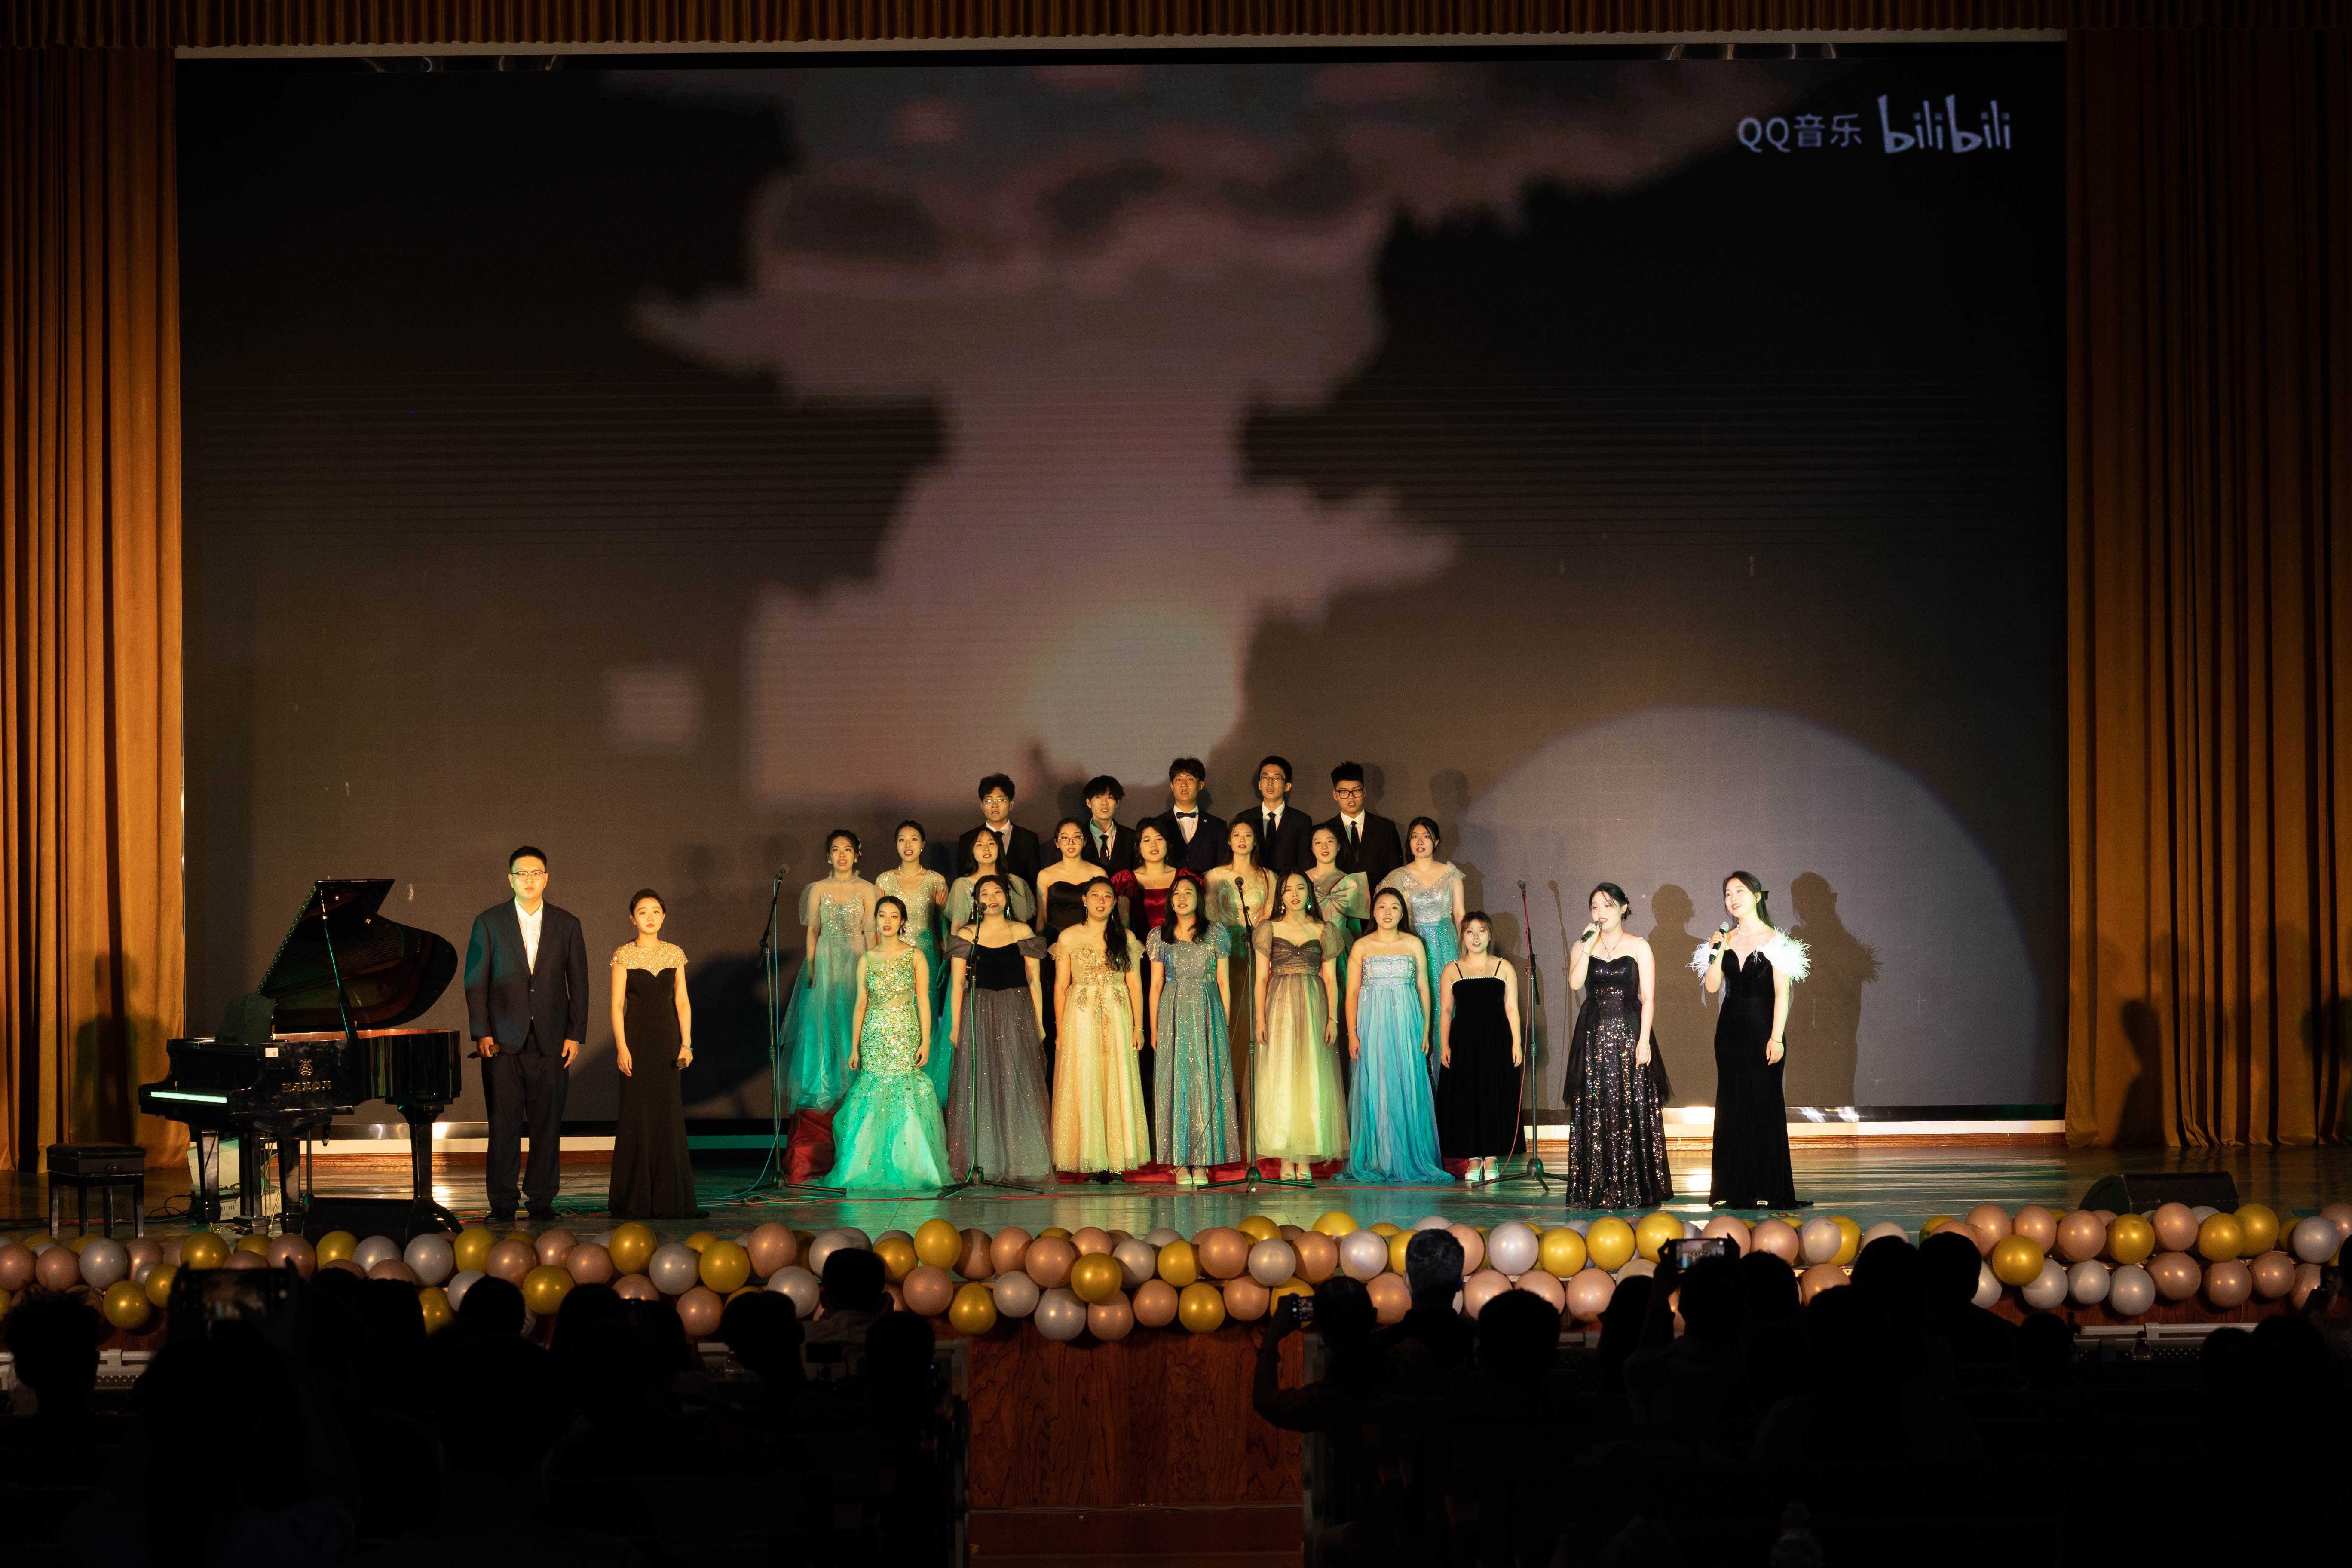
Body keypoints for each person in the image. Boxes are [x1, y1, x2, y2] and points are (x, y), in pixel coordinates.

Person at [465, 845, 590, 1225]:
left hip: (552, 1041)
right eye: (522, 874)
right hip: (502, 1042)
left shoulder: (567, 924)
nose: (529, 880)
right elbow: (475, 982)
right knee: (503, 1125)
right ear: (511, 879)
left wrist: (575, 1034)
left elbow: (579, 984)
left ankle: (542, 1200)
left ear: (547, 878)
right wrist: (481, 1031)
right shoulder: (489, 922)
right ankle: (502, 1202)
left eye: (536, 873)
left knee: (547, 1125)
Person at [1694, 870, 1807, 1209]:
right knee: (1733, 1106)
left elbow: (1783, 993)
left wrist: (1777, 1038)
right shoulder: (1724, 939)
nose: (1733, 898)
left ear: (1757, 896)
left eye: (1740, 891)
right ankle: (1736, 1189)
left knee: (1763, 1105)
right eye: (1728, 893)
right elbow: (1712, 986)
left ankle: (1770, 1188)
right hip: (1729, 1033)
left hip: (1763, 1032)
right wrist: (1716, 950)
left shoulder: (1775, 940)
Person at [823, 896, 950, 1189]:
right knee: (874, 1093)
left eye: (894, 916)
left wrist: (926, 1041)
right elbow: (860, 1004)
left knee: (905, 1091)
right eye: (882, 915)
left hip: (905, 1031)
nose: (888, 921)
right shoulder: (866, 959)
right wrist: (854, 1047)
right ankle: (864, 1165)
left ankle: (914, 1165)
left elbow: (924, 1001)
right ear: (876, 920)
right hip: (874, 1033)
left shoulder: (915, 956)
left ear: (902, 921)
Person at [1563, 883, 1671, 1209]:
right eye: (1595, 907)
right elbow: (1575, 983)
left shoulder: (1639, 946)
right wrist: (1587, 945)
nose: (1600, 913)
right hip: (1593, 1035)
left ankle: (1633, 1186)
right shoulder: (1583, 944)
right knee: (1596, 1106)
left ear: (1624, 908)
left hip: (1629, 1032)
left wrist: (1644, 1040)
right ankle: (1598, 1186)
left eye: (1608, 906)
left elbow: (1648, 997)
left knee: (1630, 1105)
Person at [943, 873, 1054, 1182]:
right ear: (976, 901)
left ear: (1007, 898)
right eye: (985, 893)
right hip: (978, 1011)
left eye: (997, 892)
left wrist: (1039, 1022)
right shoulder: (967, 934)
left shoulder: (1022, 931)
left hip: (1016, 1011)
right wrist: (956, 1026)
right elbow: (957, 984)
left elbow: (1034, 980)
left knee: (1017, 1083)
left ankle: (1021, 1162)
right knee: (980, 1085)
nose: (991, 898)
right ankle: (984, 1162)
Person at [781, 830, 879, 1174]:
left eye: (848, 849)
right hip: (826, 960)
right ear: (828, 855)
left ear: (857, 853)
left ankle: (853, 1085)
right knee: (823, 1024)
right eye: (836, 850)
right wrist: (811, 965)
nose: (842, 855)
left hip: (856, 958)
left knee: (852, 1021)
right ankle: (824, 1087)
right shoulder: (817, 889)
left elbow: (872, 932)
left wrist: (872, 969)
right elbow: (813, 930)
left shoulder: (868, 889)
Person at [1341, 886, 1447, 1183]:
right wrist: (1352, 1034)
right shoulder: (1362, 946)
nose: (1388, 913)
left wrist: (1426, 1030)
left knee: (1406, 1083)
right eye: (1382, 907)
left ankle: (1408, 1157)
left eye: (1394, 907)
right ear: (1373, 913)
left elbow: (1424, 988)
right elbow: (1352, 992)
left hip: (1406, 1022)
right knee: (1377, 1085)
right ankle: (1380, 1157)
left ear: (1403, 914)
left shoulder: (1414, 944)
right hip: (1372, 1023)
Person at [607, 888, 700, 1220]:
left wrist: (686, 1044)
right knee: (636, 1115)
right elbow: (617, 1006)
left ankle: (669, 1200)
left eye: (656, 911)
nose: (650, 917)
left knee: (667, 1115)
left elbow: (682, 1002)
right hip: (635, 1042)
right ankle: (635, 1200)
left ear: (664, 916)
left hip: (667, 1043)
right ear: (633, 919)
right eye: (643, 912)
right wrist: (622, 1047)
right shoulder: (623, 955)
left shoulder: (675, 954)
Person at [1049, 876, 1151, 1176]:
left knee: (1117, 1079)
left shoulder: (1126, 937)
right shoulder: (1069, 936)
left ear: (1115, 902)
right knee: (1087, 1078)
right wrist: (1060, 1030)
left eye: (1107, 896)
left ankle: (1117, 1160)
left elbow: (1135, 985)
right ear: (1084, 900)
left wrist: (1139, 1028)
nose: (1101, 901)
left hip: (1118, 1014)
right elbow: (1060, 986)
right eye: (1095, 895)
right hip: (1080, 1015)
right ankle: (1091, 1159)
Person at [1254, 870, 1349, 1180]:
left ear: (1310, 893)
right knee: (1281, 1075)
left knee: (1311, 1075)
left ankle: (1305, 1157)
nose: (1295, 894)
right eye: (1288, 889)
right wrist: (1260, 1018)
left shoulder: (1324, 929)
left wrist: (1333, 1018)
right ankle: (1285, 1157)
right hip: (1279, 1006)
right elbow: (1261, 978)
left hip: (1313, 1004)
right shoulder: (1269, 928)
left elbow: (1331, 979)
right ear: (1280, 896)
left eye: (1300, 888)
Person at [1146, 873, 1239, 1183]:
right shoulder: (1160, 936)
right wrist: (1154, 1029)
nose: (1182, 898)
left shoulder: (1215, 933)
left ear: (1199, 898)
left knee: (1205, 1080)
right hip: (1173, 1011)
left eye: (1188, 893)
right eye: (1177, 894)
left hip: (1208, 1008)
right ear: (1170, 901)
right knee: (1177, 1081)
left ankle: (1203, 1160)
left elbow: (1224, 981)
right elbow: (1156, 984)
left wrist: (1224, 1022)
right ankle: (1181, 1161)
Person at [1435, 911, 1524, 1182]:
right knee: (1467, 1097)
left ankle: (1491, 1157)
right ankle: (1473, 1158)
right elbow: (1446, 1010)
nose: (1476, 937)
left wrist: (1517, 1043)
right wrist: (1445, 1045)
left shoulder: (1504, 967)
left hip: (1497, 1041)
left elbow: (1512, 1008)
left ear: (1490, 935)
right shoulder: (1452, 969)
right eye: (1470, 932)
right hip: (1463, 1042)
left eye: (1481, 931)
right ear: (1462, 936)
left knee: (1493, 1095)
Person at [1377, 817, 1465, 1084]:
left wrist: (1465, 957)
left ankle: (1449, 1083)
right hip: (1413, 945)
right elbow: (1389, 914)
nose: (1420, 842)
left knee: (1446, 1007)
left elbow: (1460, 916)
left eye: (1426, 836)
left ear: (1436, 841)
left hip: (1446, 946)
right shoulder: (1398, 876)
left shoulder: (1451, 874)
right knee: (1416, 1008)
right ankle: (1420, 1086)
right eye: (1415, 836)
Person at [874, 820, 951, 1103]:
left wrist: (946, 958)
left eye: (914, 839)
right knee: (895, 1016)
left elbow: (943, 924)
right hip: (892, 957)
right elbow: (877, 925)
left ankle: (923, 1090)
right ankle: (893, 1085)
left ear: (923, 844)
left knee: (924, 1015)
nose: (908, 845)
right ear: (896, 845)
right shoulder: (884, 881)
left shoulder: (936, 880)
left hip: (927, 955)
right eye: (902, 839)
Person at [1205, 817, 1277, 1097]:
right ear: (1229, 840)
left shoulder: (1269, 877)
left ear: (1255, 841)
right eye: (1237, 835)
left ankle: (1254, 1086)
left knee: (1255, 1014)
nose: (1243, 840)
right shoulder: (1214, 876)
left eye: (1248, 835)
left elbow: (1271, 918)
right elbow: (1210, 918)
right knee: (1228, 1013)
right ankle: (1228, 1086)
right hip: (1224, 955)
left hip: (1257, 954)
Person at [1032, 816, 1106, 1072]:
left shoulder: (1098, 873)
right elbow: (1041, 918)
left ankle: (1093, 1064)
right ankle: (1062, 1066)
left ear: (1085, 841)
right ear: (1057, 842)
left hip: (1091, 948)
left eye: (1076, 837)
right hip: (1057, 946)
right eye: (1065, 838)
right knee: (1059, 1000)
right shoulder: (1046, 875)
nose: (1071, 843)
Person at [1305, 825, 1369, 1004]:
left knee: (1344, 998)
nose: (1324, 847)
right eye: (1318, 843)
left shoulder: (1351, 882)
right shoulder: (1302, 880)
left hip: (1343, 947)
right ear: (1312, 849)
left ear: (1339, 846)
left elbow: (1355, 926)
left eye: (1330, 842)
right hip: (1311, 947)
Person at [1319, 761, 1403, 891]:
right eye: (1344, 792)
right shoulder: (1325, 831)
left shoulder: (1385, 828)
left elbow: (1396, 873)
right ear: (1335, 795)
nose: (1351, 797)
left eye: (1356, 791)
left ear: (1364, 792)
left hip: (1378, 900)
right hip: (1338, 900)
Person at [1145, 756, 1226, 875]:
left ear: (1200, 785)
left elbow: (1223, 869)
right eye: (1178, 780)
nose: (1184, 785)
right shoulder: (1156, 825)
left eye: (1190, 779)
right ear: (1172, 786)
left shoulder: (1218, 826)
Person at [948, 823, 1035, 927]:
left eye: (991, 844)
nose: (986, 849)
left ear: (999, 848)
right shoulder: (962, 884)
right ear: (972, 852)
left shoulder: (1015, 882)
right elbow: (958, 925)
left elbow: (1022, 925)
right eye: (980, 845)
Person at [1243, 754, 1315, 875]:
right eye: (1265, 778)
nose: (1270, 783)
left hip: (1287, 884)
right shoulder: (1245, 818)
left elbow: (1305, 863)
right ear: (1260, 785)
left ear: (1287, 786)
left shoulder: (1301, 821)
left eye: (1277, 779)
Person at [968, 772, 1041, 883]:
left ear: (1011, 805)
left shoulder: (1029, 839)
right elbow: (964, 882)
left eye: (1000, 800)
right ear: (982, 806)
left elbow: (1034, 882)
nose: (995, 805)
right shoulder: (968, 839)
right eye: (989, 801)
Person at [1082, 775, 1139, 874]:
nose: (1104, 803)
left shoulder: (1131, 837)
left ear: (1117, 803)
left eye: (1110, 797)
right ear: (1089, 803)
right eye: (1099, 797)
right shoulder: (1079, 836)